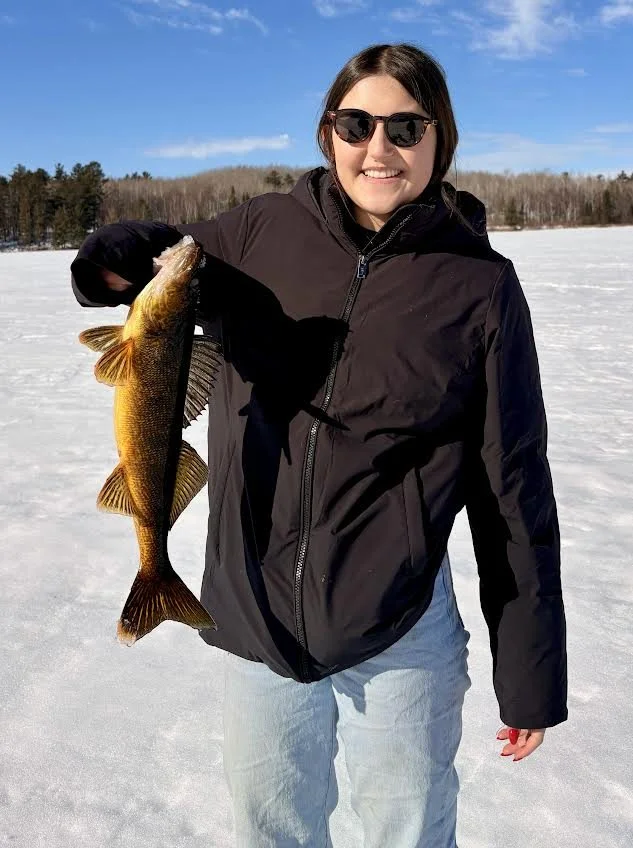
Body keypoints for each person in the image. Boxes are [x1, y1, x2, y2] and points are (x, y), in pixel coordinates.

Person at [71, 42, 567, 848]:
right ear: (326, 133)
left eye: (406, 127)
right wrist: (113, 256)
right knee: (272, 834)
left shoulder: (479, 285)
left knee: (405, 833)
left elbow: (512, 487)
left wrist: (530, 673)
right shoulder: (255, 232)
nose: (379, 148)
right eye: (356, 123)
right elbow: (137, 269)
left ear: (441, 139)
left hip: (398, 625)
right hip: (252, 614)